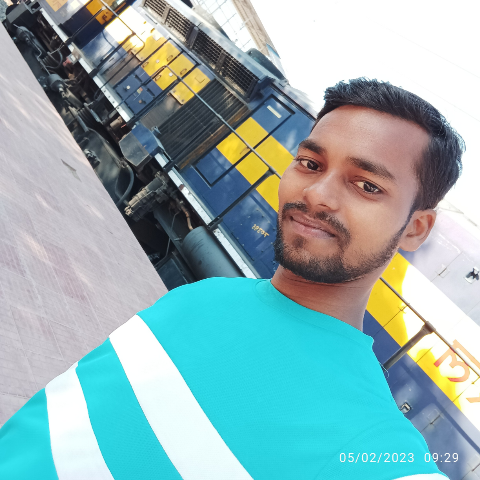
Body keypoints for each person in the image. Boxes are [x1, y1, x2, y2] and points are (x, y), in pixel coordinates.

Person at [0, 78, 463, 480]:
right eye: (310, 163)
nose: (317, 194)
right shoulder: (201, 296)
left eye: (367, 186)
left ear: (416, 228)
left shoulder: (372, 442)